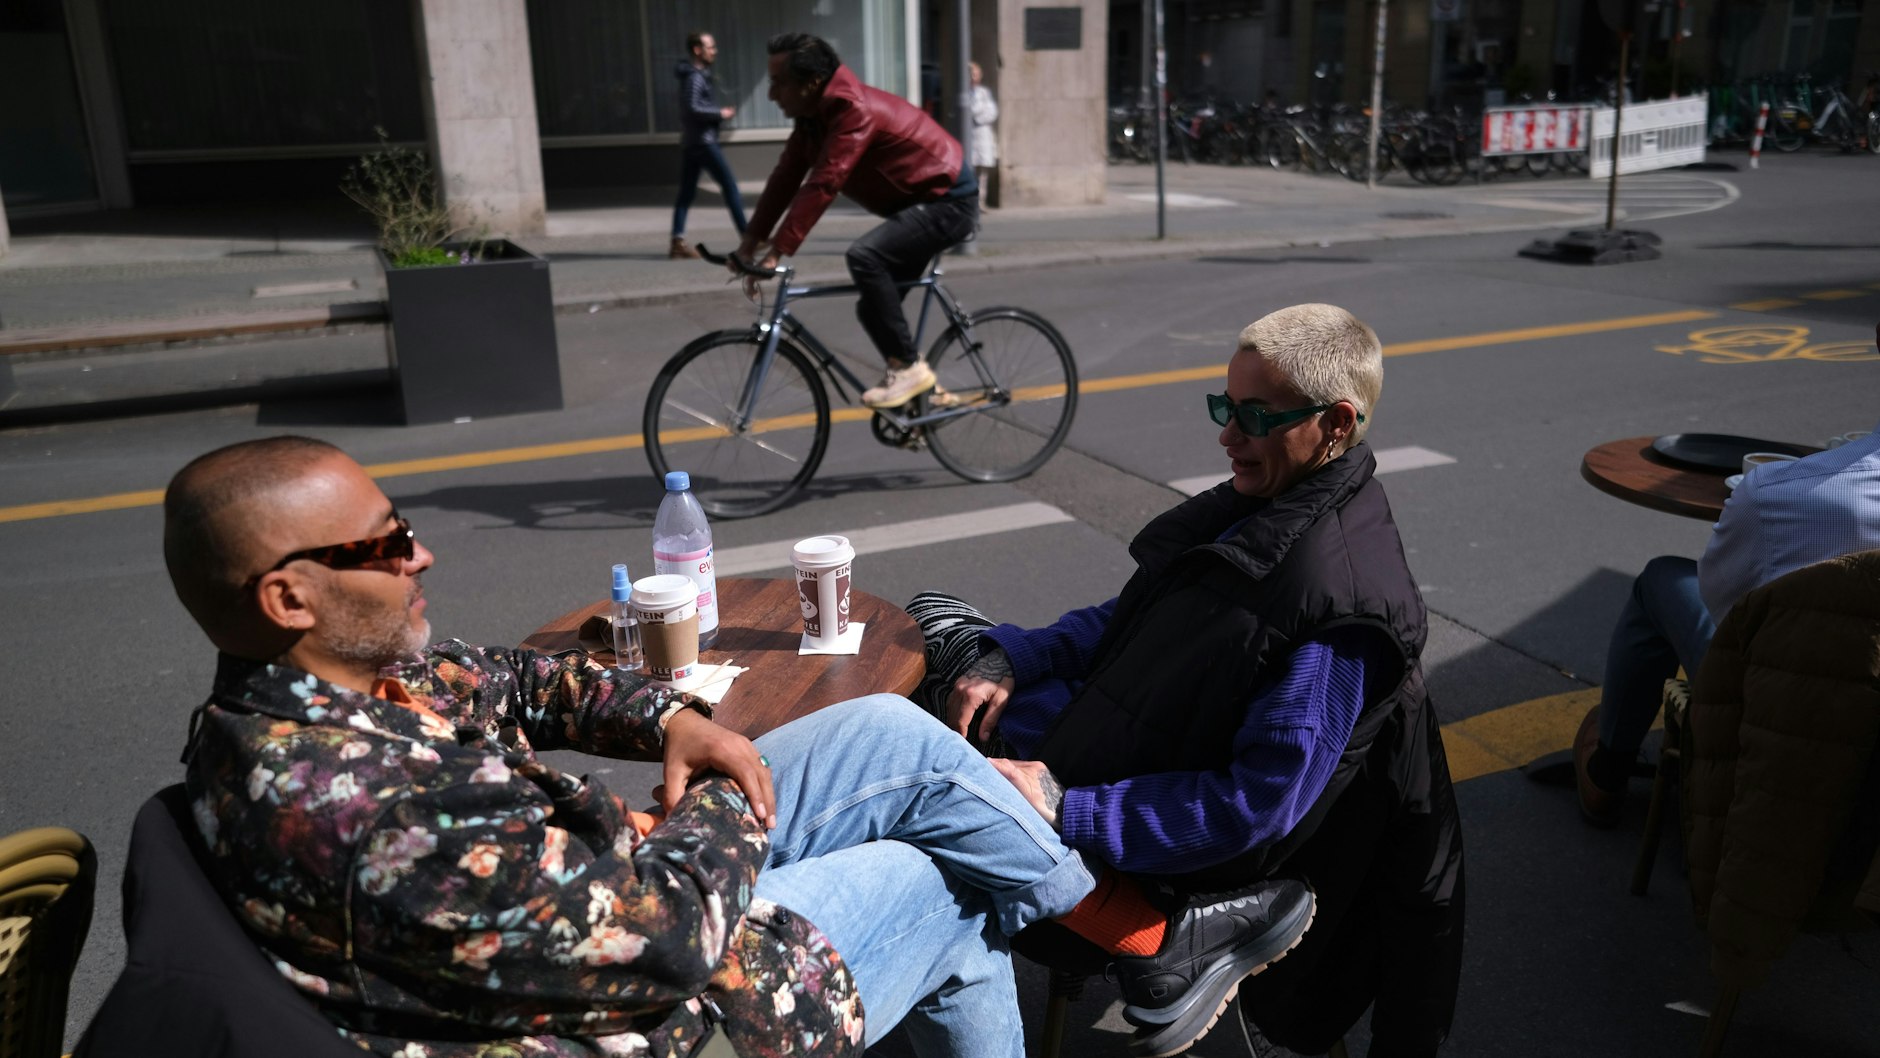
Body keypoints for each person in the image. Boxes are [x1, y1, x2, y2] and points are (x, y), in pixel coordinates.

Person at [139, 436, 1287, 1058]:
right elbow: (671, 940)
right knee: (944, 871)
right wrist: (705, 803)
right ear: (292, 594)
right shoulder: (360, 809)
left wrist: (675, 721)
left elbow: (526, 676)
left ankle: (1145, 944)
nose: (420, 555)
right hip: (653, 1015)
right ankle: (1146, 937)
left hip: (602, 910)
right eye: (385, 543)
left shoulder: (327, 688)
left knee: (895, 732)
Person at [910, 304, 1465, 1058]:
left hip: (1131, 850)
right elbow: (1134, 619)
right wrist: (1017, 657)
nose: (1227, 435)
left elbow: (1252, 807)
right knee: (936, 639)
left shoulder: (1337, 605)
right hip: (1096, 751)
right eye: (1224, 408)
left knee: (904, 795)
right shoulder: (1268, 507)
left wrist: (1067, 808)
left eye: (1254, 417)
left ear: (1335, 424)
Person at [1573, 420, 1880, 826]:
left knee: (1661, 579)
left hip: (1774, 716)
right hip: (1868, 725)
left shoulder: (1776, 492)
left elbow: (1720, 604)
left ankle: (1607, 771)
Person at [736, 32, 979, 410]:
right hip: (915, 203)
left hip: (948, 198)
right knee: (873, 307)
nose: (771, 95)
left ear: (812, 83)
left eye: (779, 83)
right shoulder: (813, 119)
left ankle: (911, 373)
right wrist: (750, 242)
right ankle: (924, 395)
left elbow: (825, 181)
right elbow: (785, 178)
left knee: (866, 257)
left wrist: (777, 251)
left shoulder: (853, 111)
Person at [670, 30, 747, 260]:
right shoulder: (695, 77)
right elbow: (692, 108)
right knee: (730, 186)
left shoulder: (698, 75)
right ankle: (749, 238)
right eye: (710, 47)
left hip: (693, 142)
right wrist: (720, 113)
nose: (715, 51)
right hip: (704, 142)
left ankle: (677, 242)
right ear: (697, 50)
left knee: (686, 193)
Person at [968, 62, 998, 208]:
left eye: (976, 74)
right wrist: (978, 114)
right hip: (971, 135)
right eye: (971, 74)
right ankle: (972, 201)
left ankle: (981, 201)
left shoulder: (984, 92)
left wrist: (978, 117)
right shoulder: (964, 92)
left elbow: (992, 112)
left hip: (983, 134)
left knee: (983, 171)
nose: (974, 77)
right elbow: (970, 111)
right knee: (971, 169)